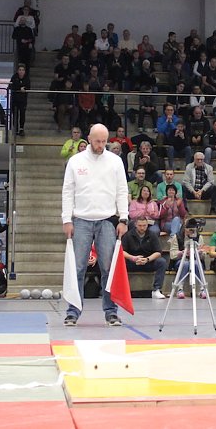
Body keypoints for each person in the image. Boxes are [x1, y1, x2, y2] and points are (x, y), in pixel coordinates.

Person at [61, 124, 129, 327]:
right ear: (89, 138)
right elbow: (67, 191)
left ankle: (111, 312)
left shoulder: (115, 161)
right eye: (97, 141)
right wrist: (67, 219)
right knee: (78, 267)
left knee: (108, 268)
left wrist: (123, 218)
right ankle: (73, 311)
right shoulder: (75, 161)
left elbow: (122, 191)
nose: (101, 145)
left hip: (107, 220)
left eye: (104, 141)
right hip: (81, 220)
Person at [121, 217, 168, 299]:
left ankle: (156, 289)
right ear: (135, 225)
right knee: (119, 263)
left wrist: (147, 259)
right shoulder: (127, 235)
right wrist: (132, 258)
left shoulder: (152, 235)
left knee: (162, 262)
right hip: (132, 262)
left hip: (148, 261)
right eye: (140, 225)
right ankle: (121, 289)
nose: (142, 228)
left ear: (147, 225)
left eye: (144, 225)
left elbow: (158, 252)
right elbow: (122, 251)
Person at [9, 64, 29, 136]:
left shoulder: (27, 78)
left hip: (23, 100)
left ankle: (21, 129)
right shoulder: (14, 77)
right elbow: (11, 85)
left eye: (22, 70)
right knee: (15, 115)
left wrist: (23, 88)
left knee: (22, 114)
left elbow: (28, 86)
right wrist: (19, 88)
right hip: (15, 100)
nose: (21, 72)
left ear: (24, 71)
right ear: (17, 71)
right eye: (20, 70)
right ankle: (16, 129)